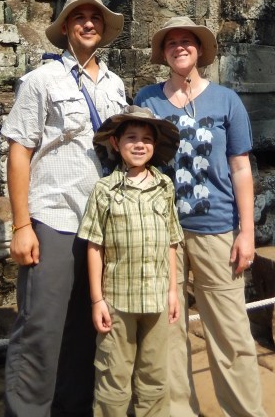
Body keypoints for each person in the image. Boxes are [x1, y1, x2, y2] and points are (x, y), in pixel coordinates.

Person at [2, 0, 127, 417]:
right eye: (80, 17)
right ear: (66, 27)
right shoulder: (41, 81)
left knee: (85, 329)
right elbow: (19, 149)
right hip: (54, 218)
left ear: (104, 29)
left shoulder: (115, 85)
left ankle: (72, 409)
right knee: (41, 326)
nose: (89, 23)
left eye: (96, 17)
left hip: (101, 226)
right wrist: (22, 226)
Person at [135, 16, 267, 417]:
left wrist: (247, 232)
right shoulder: (147, 100)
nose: (179, 47)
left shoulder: (226, 100)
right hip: (162, 232)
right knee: (167, 334)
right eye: (171, 42)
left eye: (187, 41)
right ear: (163, 53)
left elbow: (241, 167)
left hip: (216, 229)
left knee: (231, 333)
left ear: (200, 50)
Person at [78, 105, 183, 417]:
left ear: (155, 146)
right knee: (113, 377)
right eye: (132, 138)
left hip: (157, 299)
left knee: (154, 377)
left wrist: (173, 291)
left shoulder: (165, 187)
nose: (140, 145)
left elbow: (171, 242)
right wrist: (97, 300)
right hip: (118, 300)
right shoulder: (104, 190)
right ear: (116, 143)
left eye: (147, 139)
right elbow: (94, 245)